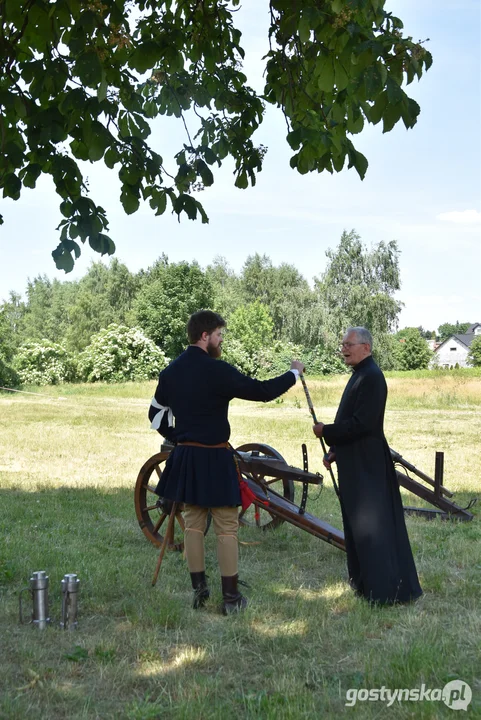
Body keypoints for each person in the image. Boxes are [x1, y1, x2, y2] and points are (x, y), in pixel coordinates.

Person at [149, 310, 304, 614]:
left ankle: (199, 591)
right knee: (226, 526)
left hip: (187, 456)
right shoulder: (217, 370)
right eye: (219, 334)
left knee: (193, 523)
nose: (221, 341)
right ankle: (231, 600)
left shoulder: (170, 372)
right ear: (204, 336)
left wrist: (180, 437)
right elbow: (261, 391)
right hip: (215, 456)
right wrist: (293, 374)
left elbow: (155, 416)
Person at [312, 327, 422, 605]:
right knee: (357, 525)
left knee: (372, 526)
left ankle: (386, 591)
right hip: (354, 460)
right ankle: (365, 584)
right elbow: (350, 418)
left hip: (367, 465)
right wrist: (334, 450)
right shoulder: (359, 375)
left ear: (366, 348)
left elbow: (363, 424)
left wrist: (327, 432)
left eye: (349, 344)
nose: (344, 349)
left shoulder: (372, 377)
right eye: (342, 344)